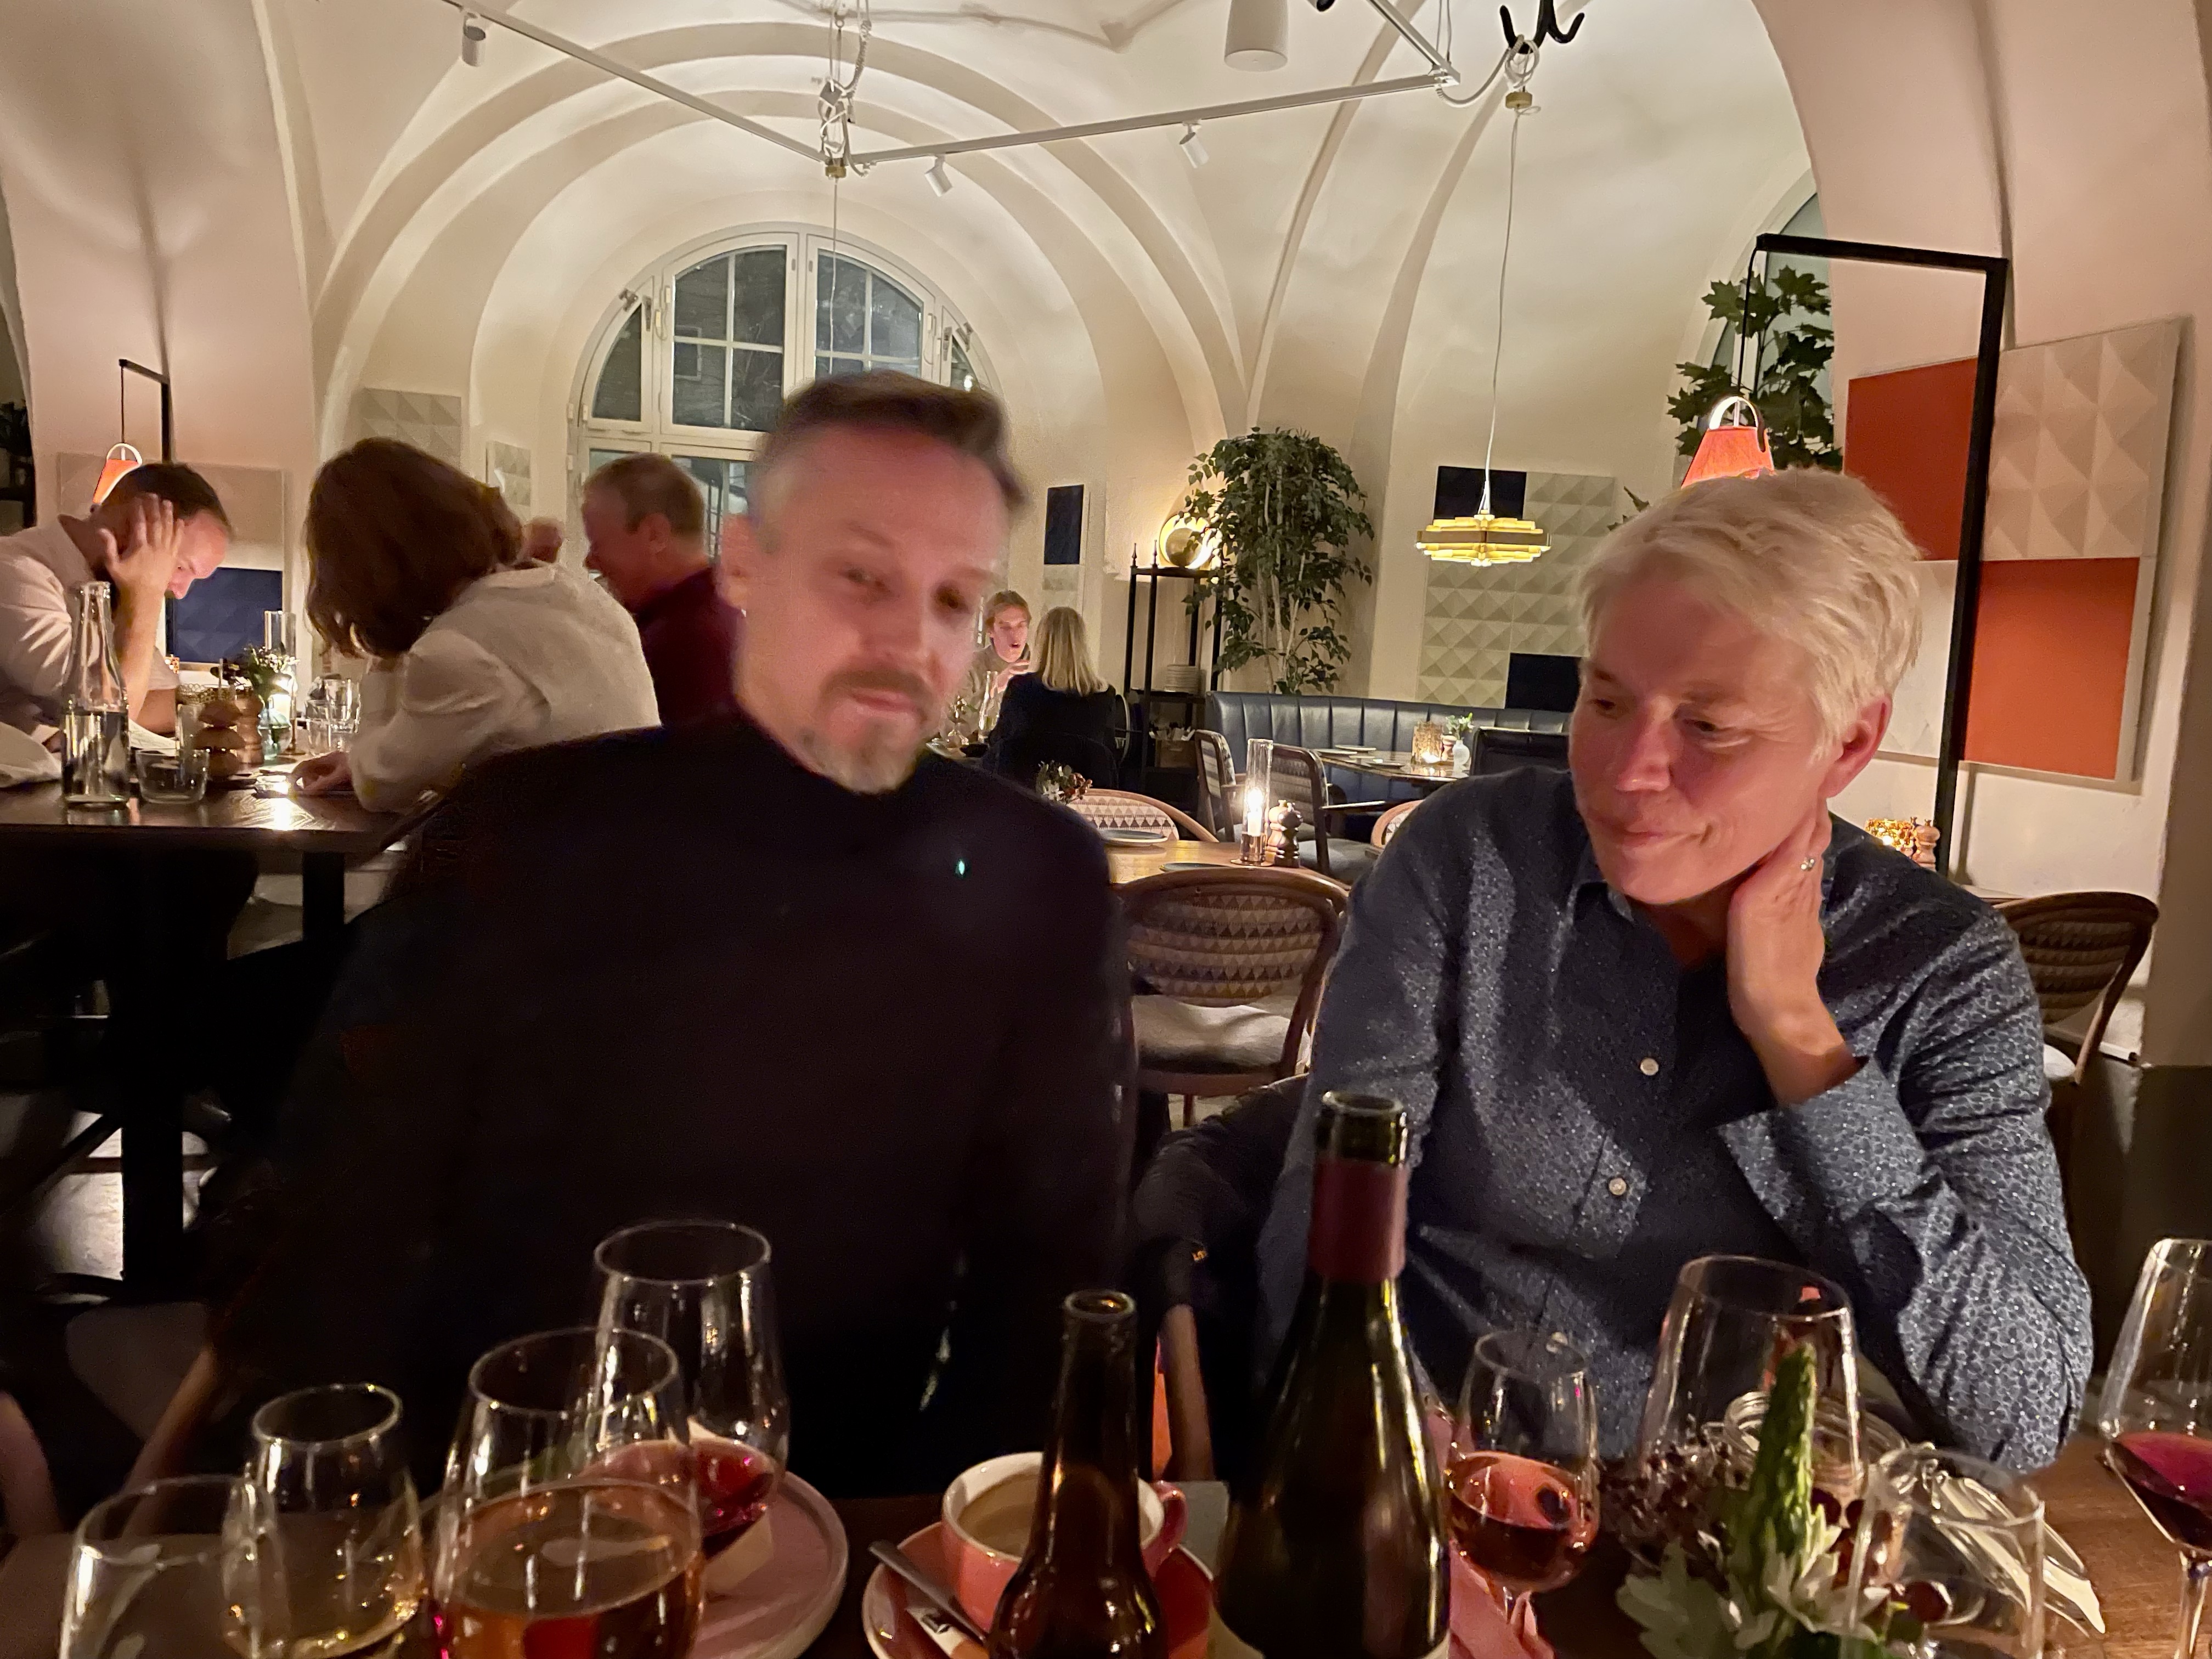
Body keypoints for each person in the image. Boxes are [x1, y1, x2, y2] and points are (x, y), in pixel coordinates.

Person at [217, 374, 1132, 1498]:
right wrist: (372, 1514)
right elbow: (341, 1212)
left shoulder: (1040, 878)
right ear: (743, 565)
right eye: (862, 575)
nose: (910, 639)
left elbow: (1046, 1298)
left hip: (835, 1502)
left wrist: (922, 1545)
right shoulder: (524, 831)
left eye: (954, 599)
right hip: (505, 1496)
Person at [1256, 470, 2091, 1470]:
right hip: (1434, 1478)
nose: (1627, 771)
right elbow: (1334, 1209)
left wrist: (1799, 1038)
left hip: (1732, 1528)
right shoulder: (1467, 861)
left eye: (1708, 726)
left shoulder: (1941, 969)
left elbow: (2022, 1413)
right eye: (1605, 699)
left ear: (1848, 742)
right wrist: (1408, 1455)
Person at [291, 440, 658, 811]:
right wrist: (361, 762)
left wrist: (383, 664)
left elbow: (380, 788)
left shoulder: (453, 647)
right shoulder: (578, 594)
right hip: (639, 832)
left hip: (561, 844)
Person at [0, 464, 230, 737]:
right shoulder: (16, 570)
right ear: (137, 524)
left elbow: (156, 696)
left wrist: (225, 706)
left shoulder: (110, 585)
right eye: (180, 567)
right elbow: (105, 716)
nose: (181, 592)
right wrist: (145, 594)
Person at [580, 454, 741, 724]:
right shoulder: (712, 617)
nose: (590, 561)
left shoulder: (687, 644)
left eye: (597, 543)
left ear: (654, 534)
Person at [985, 605, 1124, 789]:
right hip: (1085, 799)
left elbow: (999, 745)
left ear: (1042, 644)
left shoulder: (1022, 689)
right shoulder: (1104, 696)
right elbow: (1107, 757)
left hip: (1025, 798)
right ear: (1083, 645)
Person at [950, 587, 1030, 742]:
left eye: (1021, 626)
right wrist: (993, 689)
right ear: (990, 631)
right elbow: (954, 730)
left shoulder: (1041, 667)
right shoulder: (969, 667)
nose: (1015, 634)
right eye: (1005, 627)